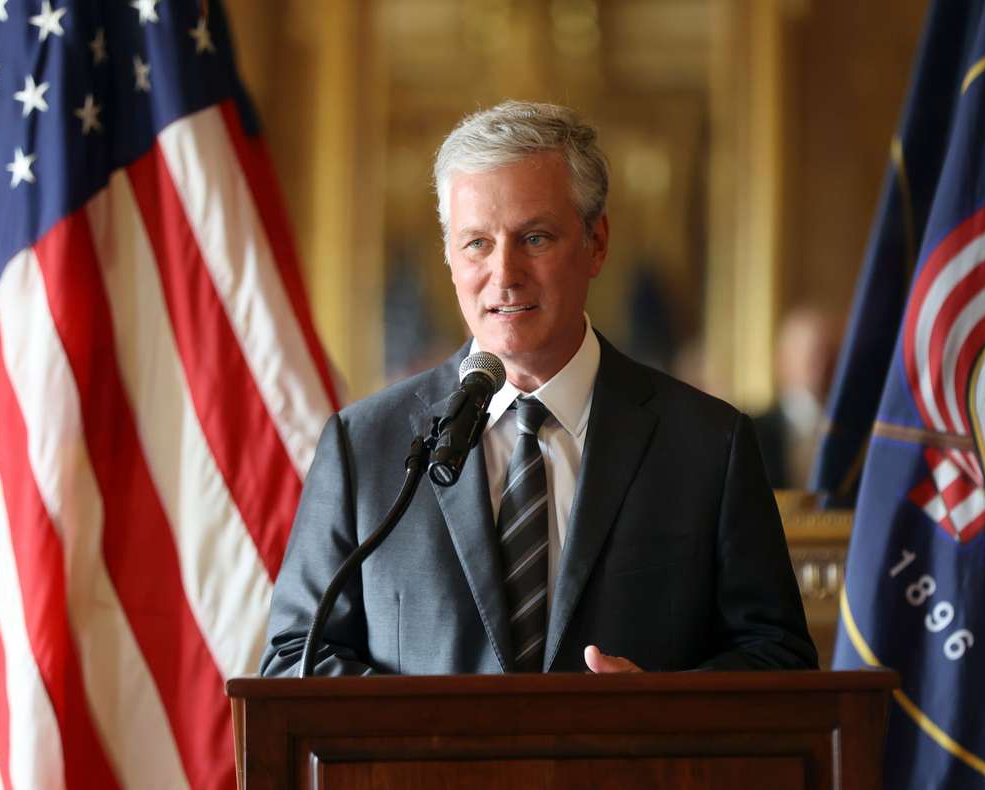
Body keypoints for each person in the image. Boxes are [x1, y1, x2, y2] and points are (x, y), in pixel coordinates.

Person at [261, 101, 817, 676]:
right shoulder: (364, 445)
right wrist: (420, 736)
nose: (505, 274)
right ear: (449, 256)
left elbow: (779, 656)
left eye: (535, 238)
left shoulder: (709, 444)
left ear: (596, 242)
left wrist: (664, 710)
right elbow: (294, 658)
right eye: (477, 242)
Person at [753, 306, 840, 489]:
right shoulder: (751, 432)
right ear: (782, 359)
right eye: (813, 354)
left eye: (830, 353)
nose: (823, 365)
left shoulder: (857, 436)